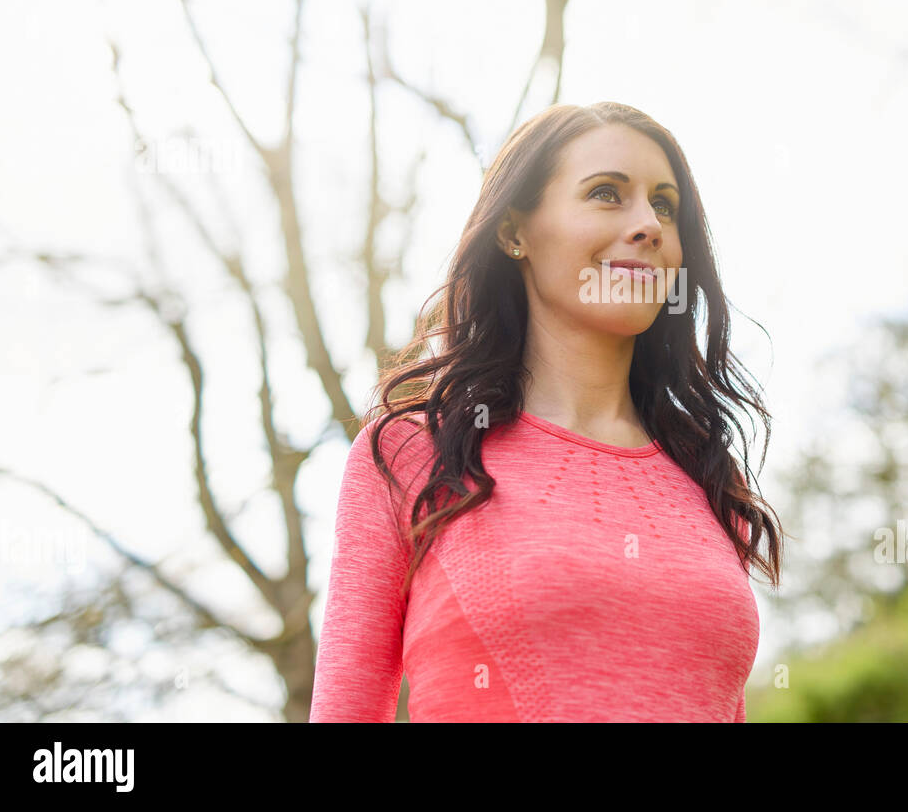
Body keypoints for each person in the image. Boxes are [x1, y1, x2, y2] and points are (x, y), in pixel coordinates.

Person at [308, 101, 783, 722]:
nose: (648, 224)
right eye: (607, 194)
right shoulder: (414, 453)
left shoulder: (708, 479)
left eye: (664, 204)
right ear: (514, 233)